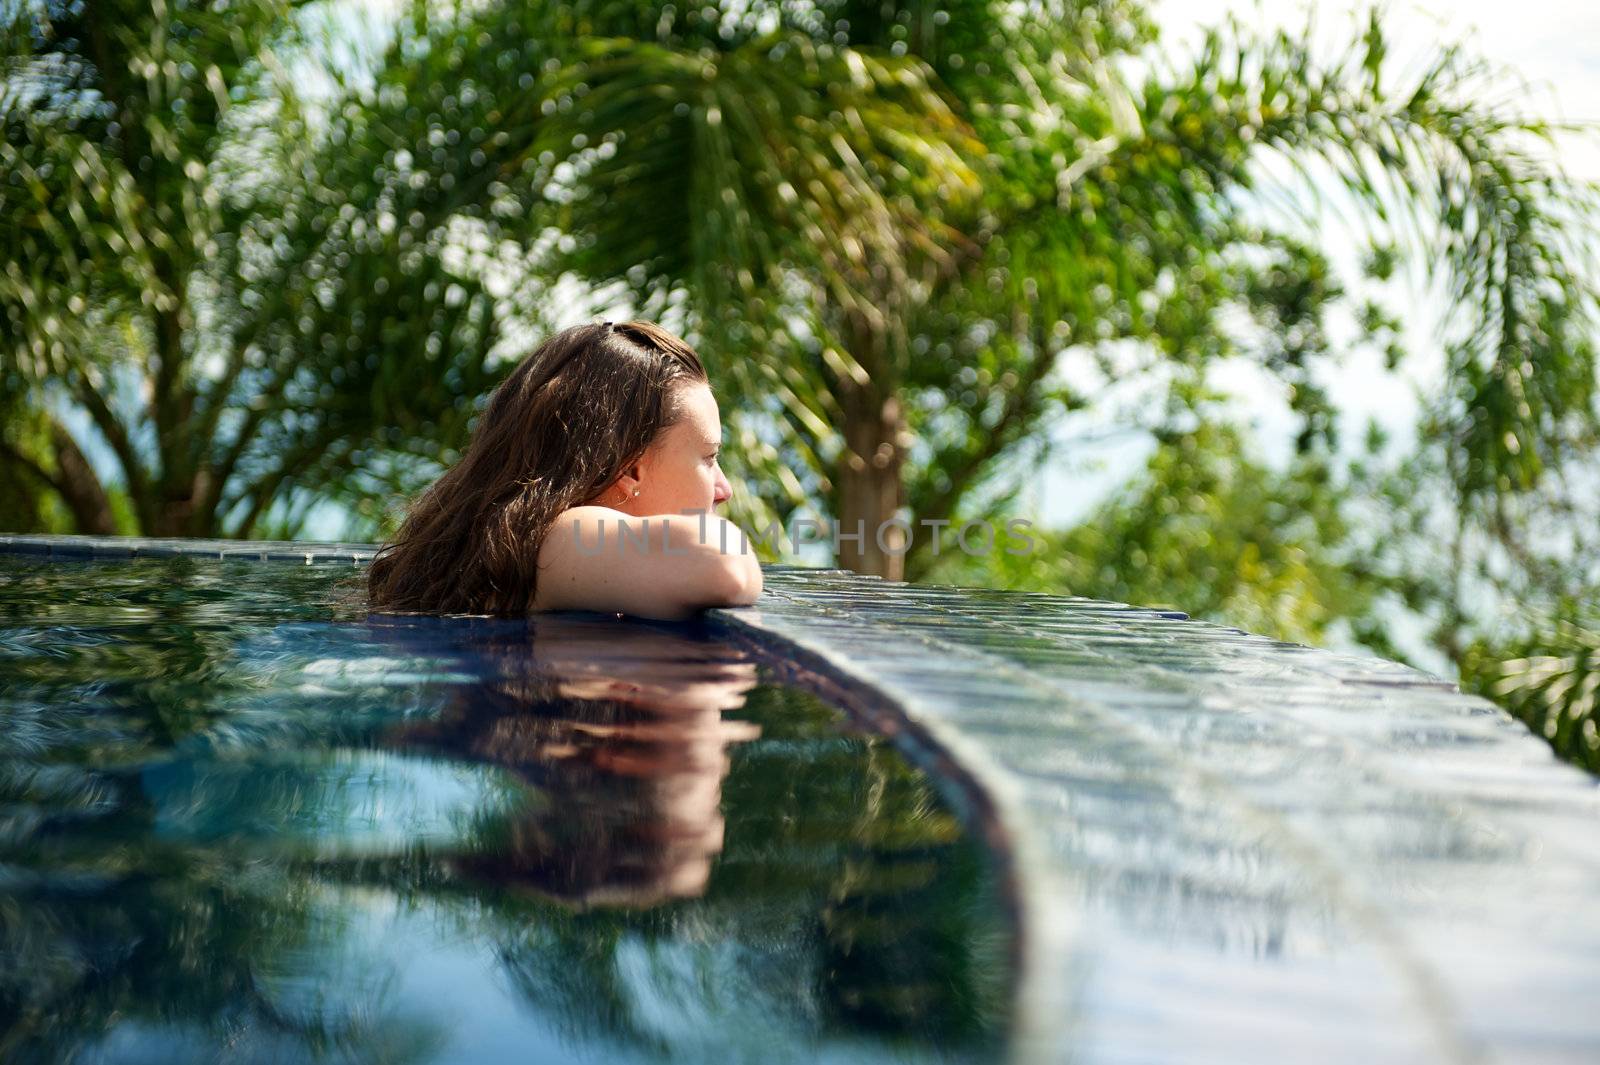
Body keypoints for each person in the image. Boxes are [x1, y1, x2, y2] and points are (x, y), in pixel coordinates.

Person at [367, 320, 763, 619]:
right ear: (630, 471)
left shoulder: (515, 537)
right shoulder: (561, 536)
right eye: (709, 458)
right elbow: (724, 564)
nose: (723, 488)